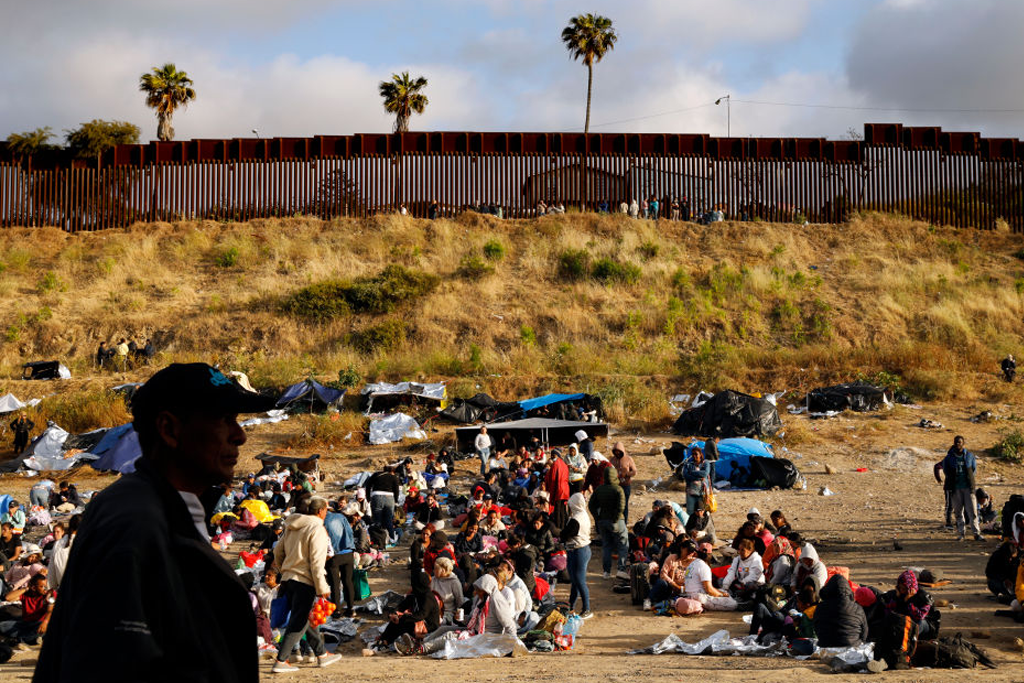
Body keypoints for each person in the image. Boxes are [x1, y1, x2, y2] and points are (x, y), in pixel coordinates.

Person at [34, 362, 278, 682]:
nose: (240, 435)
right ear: (170, 430)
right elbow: (111, 661)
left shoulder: (171, 511)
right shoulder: (133, 522)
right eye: (223, 419)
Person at [272, 496, 342, 672]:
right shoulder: (316, 528)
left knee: (306, 618)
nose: (326, 514)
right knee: (299, 620)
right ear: (320, 511)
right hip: (305, 580)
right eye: (326, 511)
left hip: (289, 579)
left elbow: (277, 551)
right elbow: (316, 561)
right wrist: (322, 587)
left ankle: (321, 655)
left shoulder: (292, 526)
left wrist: (285, 570)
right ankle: (281, 660)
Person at [589, 468, 629, 580]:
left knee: (606, 546)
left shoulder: (599, 489)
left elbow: (591, 505)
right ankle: (621, 569)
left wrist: (597, 518)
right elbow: (621, 506)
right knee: (623, 545)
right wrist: (616, 519)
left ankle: (606, 572)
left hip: (602, 521)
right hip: (616, 522)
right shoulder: (618, 489)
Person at [941, 435, 983, 541]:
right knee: (958, 512)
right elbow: (946, 471)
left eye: (960, 442)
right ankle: (961, 534)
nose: (958, 444)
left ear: (963, 444)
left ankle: (976, 533)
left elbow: (973, 470)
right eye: (956, 442)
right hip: (955, 489)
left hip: (968, 488)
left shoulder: (969, 456)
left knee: (972, 511)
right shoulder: (949, 458)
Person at [560, 492, 592, 619]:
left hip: (578, 551)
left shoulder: (575, 520)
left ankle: (587, 608)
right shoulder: (583, 515)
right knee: (575, 581)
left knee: (579, 580)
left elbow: (565, 535)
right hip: (581, 549)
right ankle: (571, 607)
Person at [814, 574, 869, 647]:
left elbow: (816, 627)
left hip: (826, 645)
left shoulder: (820, 607)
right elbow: (864, 631)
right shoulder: (857, 608)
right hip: (852, 645)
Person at [881, 569, 938, 640]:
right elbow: (888, 613)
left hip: (925, 625)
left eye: (904, 588)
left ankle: (907, 640)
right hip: (905, 623)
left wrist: (909, 601)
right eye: (900, 587)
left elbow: (919, 616)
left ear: (910, 589)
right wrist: (896, 599)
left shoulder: (924, 597)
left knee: (918, 624)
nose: (901, 590)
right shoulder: (897, 594)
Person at [1, 573, 53, 645]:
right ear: (34, 588)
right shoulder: (26, 595)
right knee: (2, 626)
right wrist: (26, 588)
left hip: (39, 623)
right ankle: (29, 638)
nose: (45, 589)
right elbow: (8, 598)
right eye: (42, 586)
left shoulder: (49, 594)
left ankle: (19, 640)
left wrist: (46, 622)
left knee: (44, 629)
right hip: (25, 623)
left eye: (46, 586)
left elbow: (50, 610)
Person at [325, 501, 356, 618]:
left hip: (334, 555)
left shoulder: (322, 521)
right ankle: (351, 609)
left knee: (334, 583)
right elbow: (349, 532)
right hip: (348, 553)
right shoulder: (341, 517)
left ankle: (337, 610)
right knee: (348, 581)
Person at [682, 543, 736, 611]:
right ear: (709, 555)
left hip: (690, 594)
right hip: (699, 596)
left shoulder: (692, 564)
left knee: (723, 591)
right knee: (733, 604)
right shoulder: (703, 566)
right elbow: (709, 590)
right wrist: (721, 595)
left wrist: (721, 593)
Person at [367, 464, 400, 543]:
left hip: (376, 496)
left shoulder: (376, 475)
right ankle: (392, 538)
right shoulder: (394, 477)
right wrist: (395, 501)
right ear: (392, 471)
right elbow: (396, 491)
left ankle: (378, 540)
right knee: (388, 520)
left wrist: (368, 497)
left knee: (377, 521)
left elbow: (368, 485)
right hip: (389, 497)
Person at [609, 442, 637, 523]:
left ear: (622, 450)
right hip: (615, 486)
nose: (617, 453)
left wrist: (626, 474)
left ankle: (624, 522)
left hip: (625, 486)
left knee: (624, 505)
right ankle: (616, 521)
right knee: (615, 504)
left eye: (619, 451)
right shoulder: (612, 460)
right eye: (615, 451)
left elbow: (634, 471)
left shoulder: (628, 459)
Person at [430, 557, 464, 624]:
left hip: (448, 613)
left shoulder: (454, 582)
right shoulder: (433, 580)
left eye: (436, 568)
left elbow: (459, 600)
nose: (433, 570)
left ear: (443, 570)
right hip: (432, 611)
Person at [544, 449, 570, 530]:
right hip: (565, 489)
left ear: (557, 455)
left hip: (558, 489)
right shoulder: (564, 464)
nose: (552, 457)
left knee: (557, 511)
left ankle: (558, 528)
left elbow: (552, 479)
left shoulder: (555, 464)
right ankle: (563, 527)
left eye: (553, 455)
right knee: (562, 509)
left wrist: (549, 489)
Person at [682, 448, 709, 516]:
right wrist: (698, 477)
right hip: (691, 491)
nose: (694, 456)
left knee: (702, 511)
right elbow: (686, 476)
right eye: (693, 454)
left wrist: (692, 472)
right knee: (690, 512)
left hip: (702, 492)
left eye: (696, 454)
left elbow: (705, 473)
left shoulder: (705, 463)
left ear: (700, 454)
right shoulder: (688, 464)